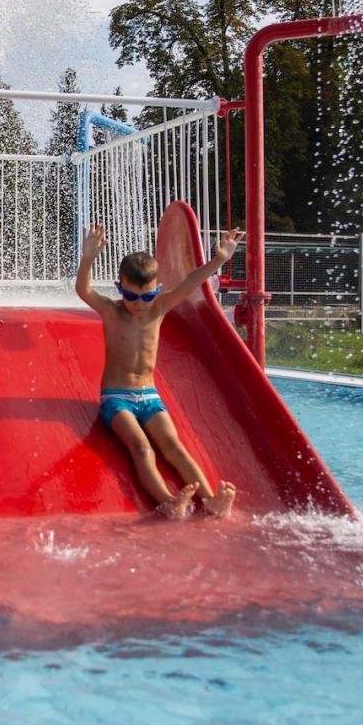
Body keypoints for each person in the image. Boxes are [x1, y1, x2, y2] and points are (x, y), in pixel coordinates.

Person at [75, 223, 240, 520]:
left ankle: (210, 500)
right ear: (119, 288)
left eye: (147, 296)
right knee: (140, 447)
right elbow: (83, 290)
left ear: (158, 289)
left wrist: (219, 260)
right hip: (116, 398)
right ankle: (169, 501)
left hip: (150, 396)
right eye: (131, 296)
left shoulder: (159, 307)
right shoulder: (112, 311)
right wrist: (88, 258)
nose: (139, 304)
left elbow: (191, 282)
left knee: (174, 447)